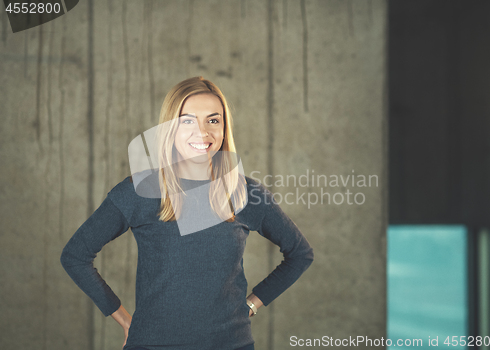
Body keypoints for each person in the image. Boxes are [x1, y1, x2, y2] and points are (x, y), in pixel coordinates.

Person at [60, 76, 314, 350]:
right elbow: (75, 256)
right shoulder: (139, 191)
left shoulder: (245, 193)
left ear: (224, 128)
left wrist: (251, 304)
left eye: (213, 120)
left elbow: (300, 254)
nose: (202, 132)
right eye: (188, 121)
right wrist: (123, 319)